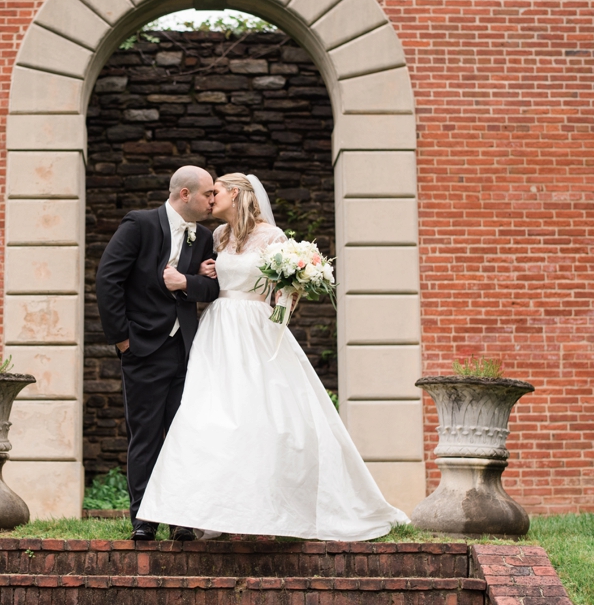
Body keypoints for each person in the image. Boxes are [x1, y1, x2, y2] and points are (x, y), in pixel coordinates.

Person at [136, 173, 409, 541]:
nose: (211, 199)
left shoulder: (272, 237)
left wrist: (282, 310)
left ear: (236, 193)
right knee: (208, 415)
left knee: (264, 417)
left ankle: (274, 507)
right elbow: (213, 284)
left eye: (216, 192)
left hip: (256, 330)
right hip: (217, 330)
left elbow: (285, 290)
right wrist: (200, 273)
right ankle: (207, 510)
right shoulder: (217, 237)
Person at [95, 165, 221, 541]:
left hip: (186, 351)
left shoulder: (206, 238)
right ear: (185, 194)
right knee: (146, 436)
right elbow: (108, 278)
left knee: (185, 435)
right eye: (207, 194)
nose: (212, 200)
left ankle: (182, 519)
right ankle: (144, 519)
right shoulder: (140, 225)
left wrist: (194, 281)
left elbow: (211, 290)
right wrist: (123, 340)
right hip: (143, 349)